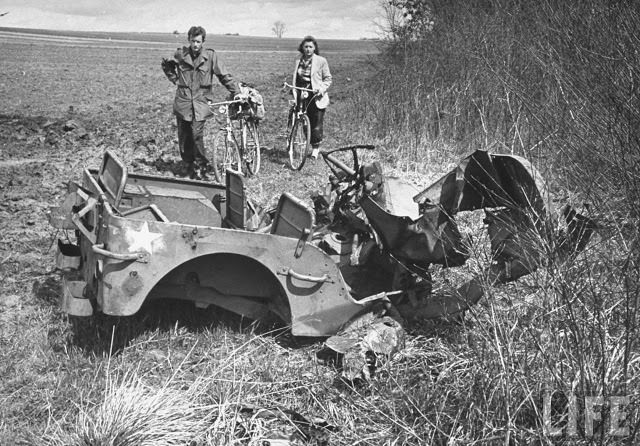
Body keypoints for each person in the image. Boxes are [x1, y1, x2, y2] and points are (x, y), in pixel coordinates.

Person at [162, 26, 239, 180]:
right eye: (192, 41)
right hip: (183, 100)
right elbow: (166, 64)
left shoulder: (210, 56)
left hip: (201, 100)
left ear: (203, 41)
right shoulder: (180, 54)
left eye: (198, 41)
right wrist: (175, 79)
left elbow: (223, 75)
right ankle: (188, 165)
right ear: (189, 40)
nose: (195, 44)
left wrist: (236, 91)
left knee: (196, 133)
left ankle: (203, 166)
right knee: (184, 135)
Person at [292, 36, 332, 159]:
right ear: (302, 48)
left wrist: (321, 89)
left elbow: (328, 79)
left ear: (314, 48)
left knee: (316, 122)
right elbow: (296, 78)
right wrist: (293, 89)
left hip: (316, 94)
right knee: (303, 120)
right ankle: (305, 142)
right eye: (306, 47)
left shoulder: (321, 61)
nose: (308, 49)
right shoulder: (298, 61)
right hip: (302, 93)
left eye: (310, 47)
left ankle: (315, 148)